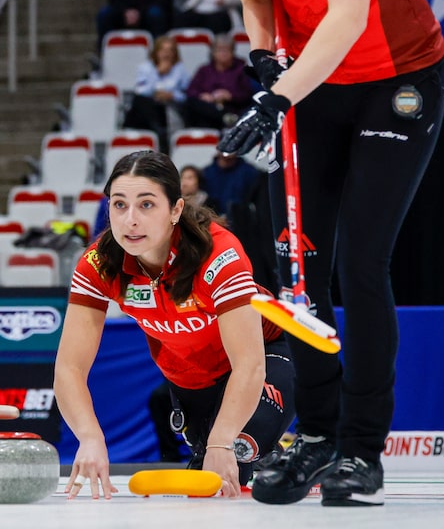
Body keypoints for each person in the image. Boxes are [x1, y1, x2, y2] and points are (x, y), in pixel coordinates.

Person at [165, 0, 444, 506]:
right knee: (301, 266)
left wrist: (275, 96)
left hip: (397, 76)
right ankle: (317, 438)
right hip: (308, 84)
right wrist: (263, 59)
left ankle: (362, 452)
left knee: (361, 262)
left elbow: (350, 13)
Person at [55, 151, 295, 499]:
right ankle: (265, 453)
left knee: (235, 456)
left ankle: (268, 450)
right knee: (205, 477)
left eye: (147, 205)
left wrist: (223, 442)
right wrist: (90, 438)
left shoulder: (219, 254)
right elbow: (69, 368)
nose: (130, 220)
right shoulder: (99, 263)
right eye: (119, 205)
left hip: (264, 361)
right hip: (189, 379)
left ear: (176, 210)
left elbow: (249, 363)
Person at [122, 35, 192, 153]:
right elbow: (140, 91)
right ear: (156, 52)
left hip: (170, 107)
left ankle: (160, 133)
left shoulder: (180, 69)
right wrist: (158, 73)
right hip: (148, 110)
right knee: (141, 102)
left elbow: (187, 95)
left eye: (170, 50)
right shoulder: (145, 67)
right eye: (163, 50)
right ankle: (157, 131)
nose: (166, 54)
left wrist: (172, 95)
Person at [184, 33, 253, 129]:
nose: (223, 53)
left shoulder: (240, 69)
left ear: (233, 52)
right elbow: (191, 91)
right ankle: (223, 117)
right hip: (207, 109)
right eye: (220, 50)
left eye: (227, 50)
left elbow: (247, 94)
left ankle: (224, 117)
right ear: (213, 52)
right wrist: (203, 96)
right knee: (192, 104)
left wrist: (229, 95)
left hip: (231, 107)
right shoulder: (204, 70)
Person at [202, 151, 260, 221]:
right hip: (212, 221)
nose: (227, 150)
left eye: (231, 146)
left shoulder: (250, 173)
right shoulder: (206, 173)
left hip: (242, 222)